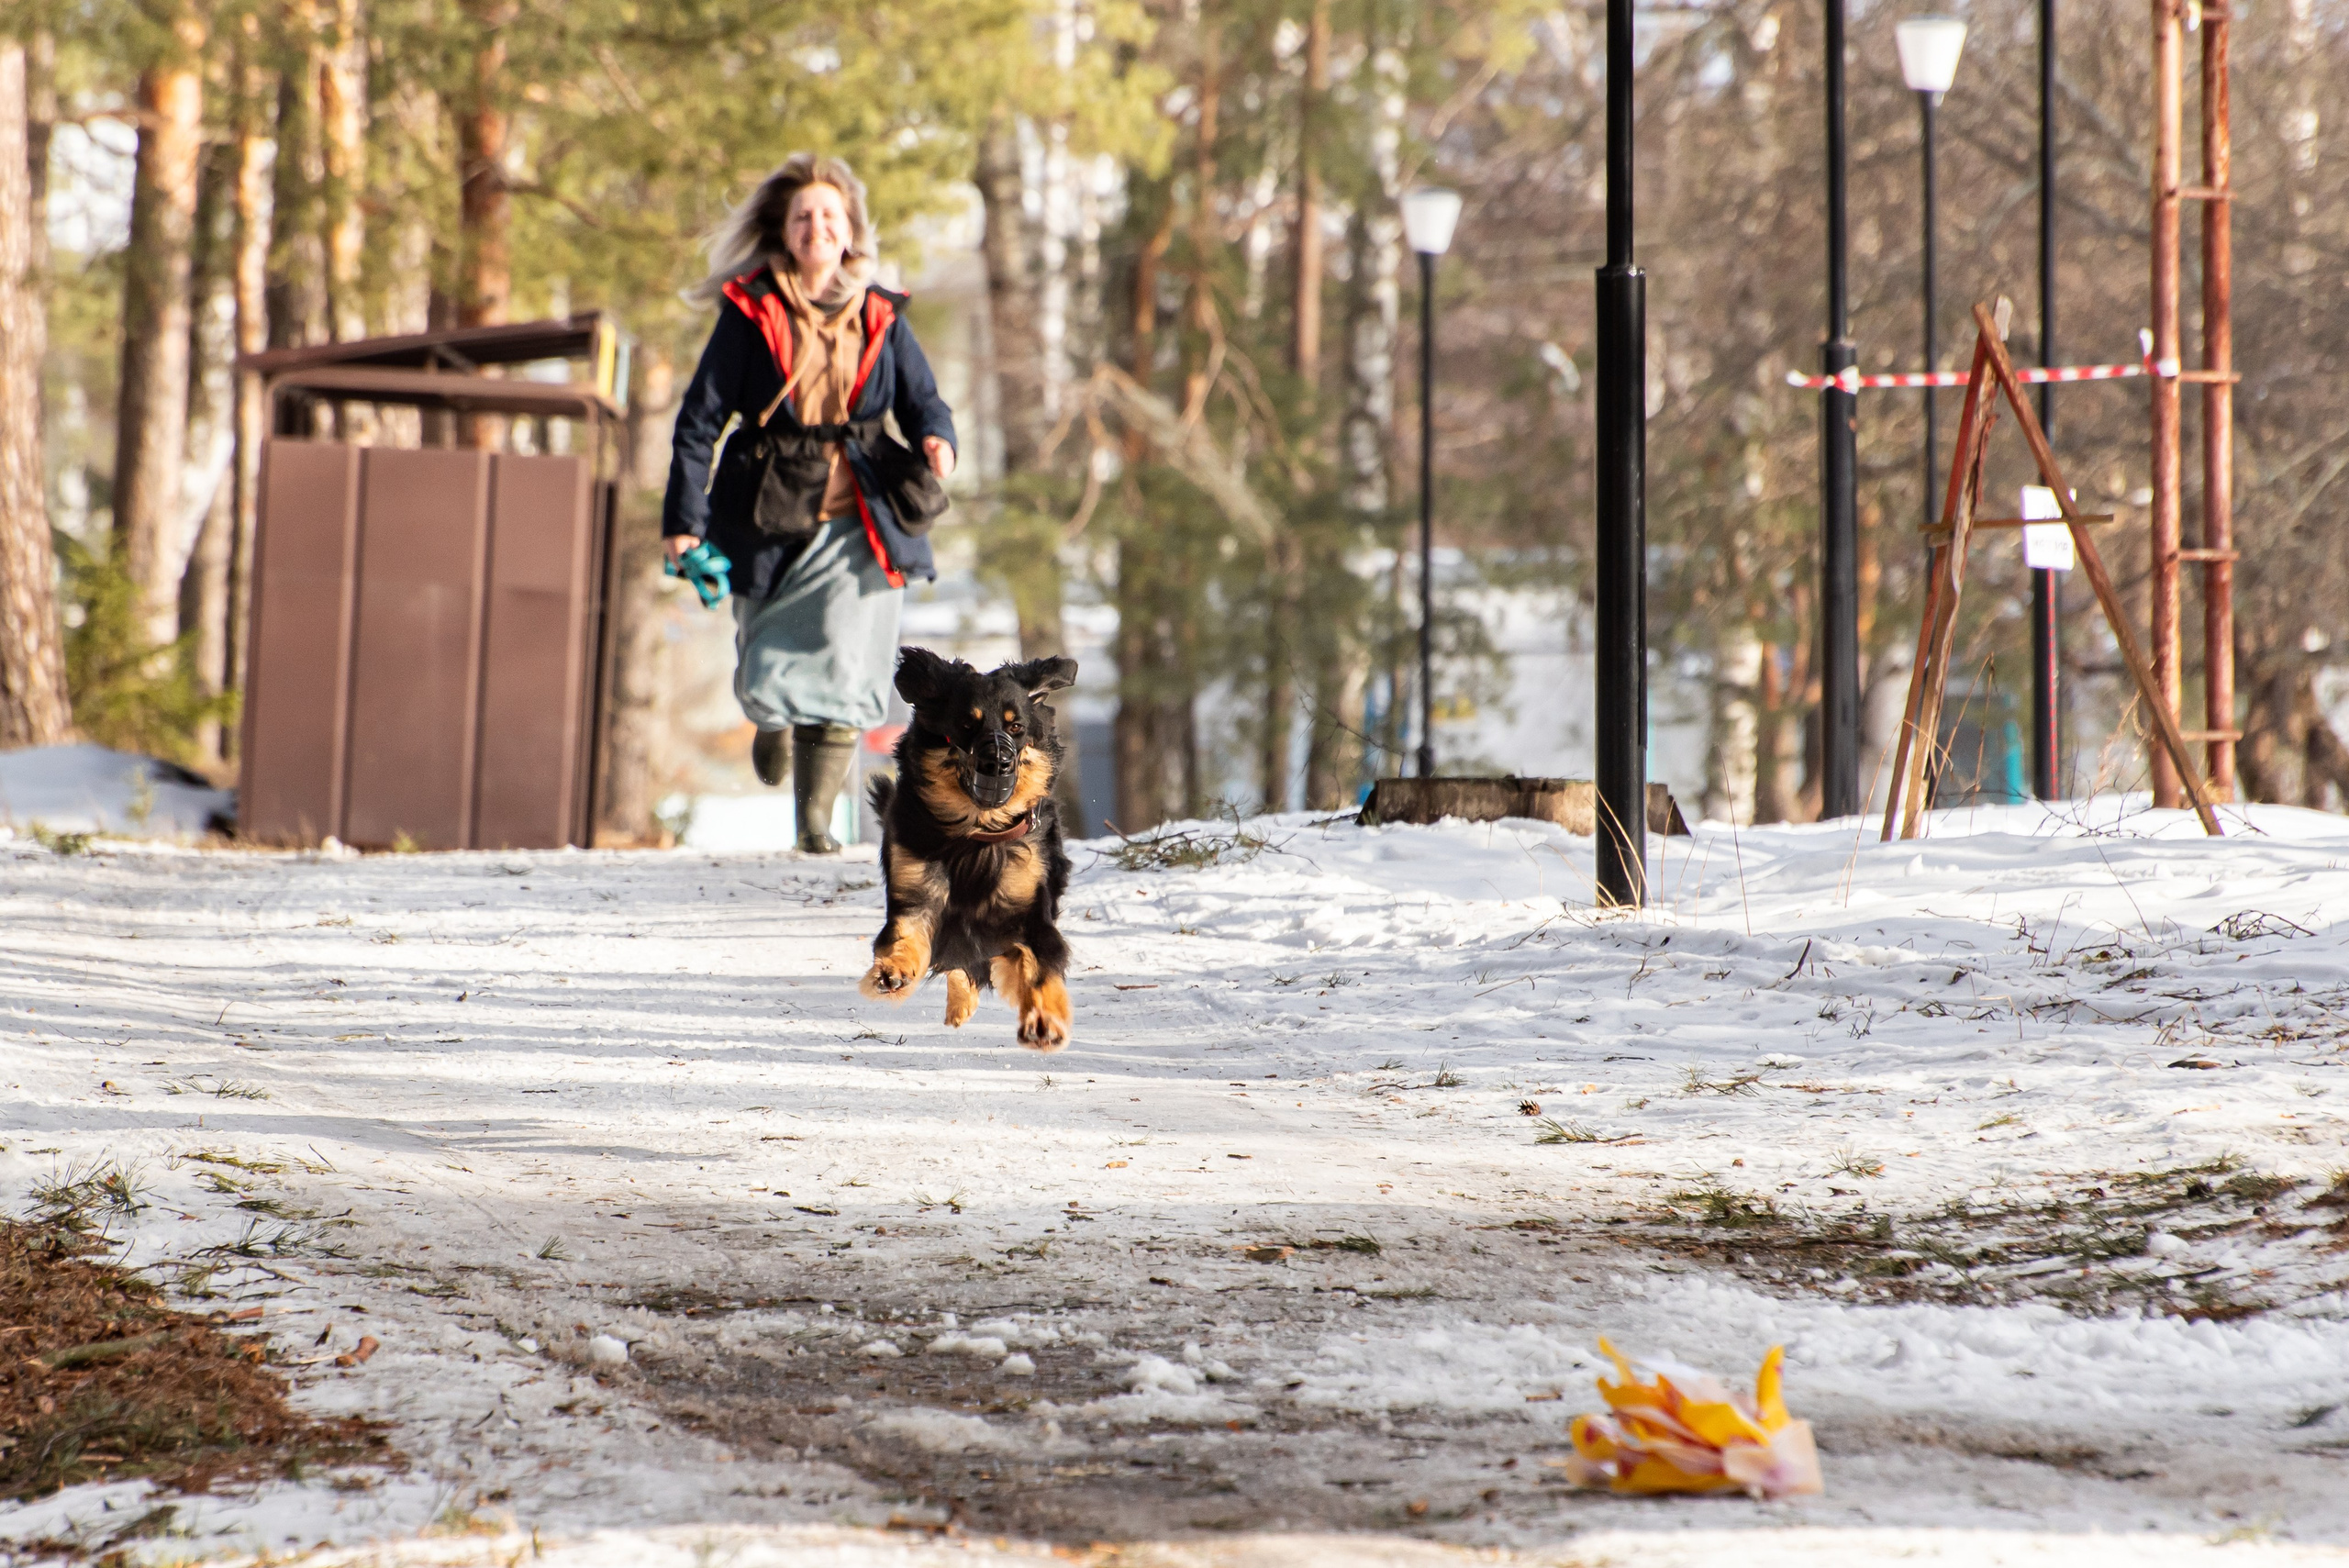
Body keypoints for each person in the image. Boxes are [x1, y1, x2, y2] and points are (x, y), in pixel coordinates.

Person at [663, 153, 957, 853]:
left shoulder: (882, 312)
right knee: (767, 665)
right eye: (803, 216)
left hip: (865, 508)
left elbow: (923, 399)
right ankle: (772, 719)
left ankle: (814, 824)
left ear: (850, 229)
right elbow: (699, 422)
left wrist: (938, 437)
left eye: (829, 214)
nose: (816, 226)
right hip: (768, 506)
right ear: (784, 230)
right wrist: (684, 522)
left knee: (851, 664)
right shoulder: (750, 312)